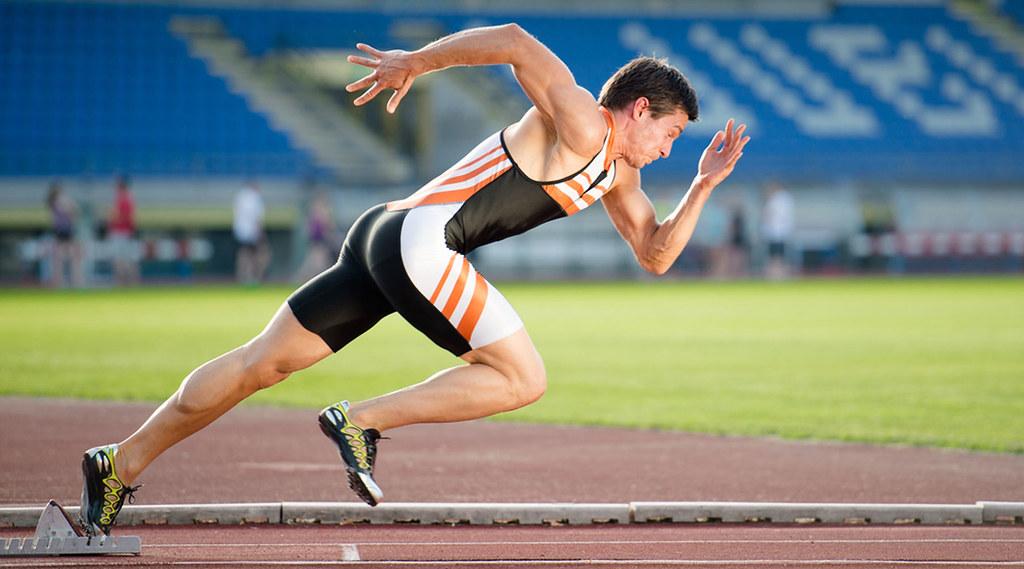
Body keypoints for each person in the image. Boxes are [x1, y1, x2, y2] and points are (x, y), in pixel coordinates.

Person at [78, 23, 749, 536]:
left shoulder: (619, 176)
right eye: (672, 133)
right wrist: (416, 63)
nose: (669, 149)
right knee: (524, 377)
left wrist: (701, 186)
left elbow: (655, 253)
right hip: (422, 243)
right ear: (638, 109)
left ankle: (121, 462)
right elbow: (515, 41)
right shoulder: (580, 120)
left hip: (383, 235)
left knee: (261, 363)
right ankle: (360, 420)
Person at [45, 181, 84, 288]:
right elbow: (72, 211)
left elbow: (74, 212)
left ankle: (68, 279)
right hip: (64, 231)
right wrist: (71, 207)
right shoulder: (58, 201)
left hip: (64, 231)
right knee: (65, 257)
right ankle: (67, 280)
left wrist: (72, 208)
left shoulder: (56, 201)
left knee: (64, 257)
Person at [233, 180, 270, 284]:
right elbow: (255, 217)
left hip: (241, 231)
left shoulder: (241, 196)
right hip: (252, 232)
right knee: (258, 254)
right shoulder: (254, 198)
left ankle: (243, 276)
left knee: (244, 254)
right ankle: (254, 277)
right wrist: (260, 232)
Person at [108, 175, 140, 286]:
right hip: (124, 232)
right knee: (125, 259)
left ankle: (124, 282)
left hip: (121, 233)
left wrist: (113, 216)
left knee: (122, 259)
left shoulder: (124, 200)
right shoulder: (125, 199)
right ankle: (128, 282)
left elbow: (124, 217)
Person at [761, 182, 795, 280]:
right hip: (782, 232)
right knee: (780, 256)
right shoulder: (786, 199)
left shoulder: (775, 200)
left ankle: (776, 274)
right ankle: (779, 274)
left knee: (775, 256)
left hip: (775, 232)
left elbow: (768, 215)